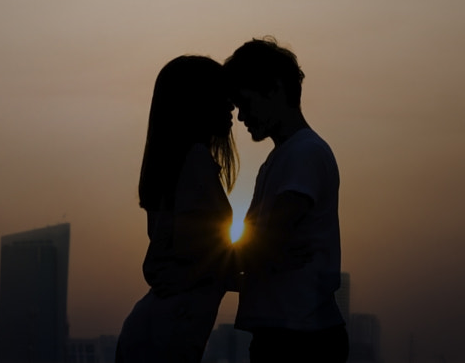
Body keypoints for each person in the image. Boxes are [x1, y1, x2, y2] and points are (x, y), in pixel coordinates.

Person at [225, 37, 349, 363]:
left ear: (274, 89)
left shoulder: (304, 153)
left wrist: (254, 254)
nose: (240, 117)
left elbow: (268, 239)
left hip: (302, 338)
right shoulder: (281, 158)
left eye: (245, 103)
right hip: (285, 332)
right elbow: (260, 250)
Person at [115, 55, 239, 363]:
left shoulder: (175, 165)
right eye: (222, 96)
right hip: (172, 326)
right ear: (198, 102)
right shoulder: (196, 160)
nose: (232, 105)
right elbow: (199, 257)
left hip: (158, 322)